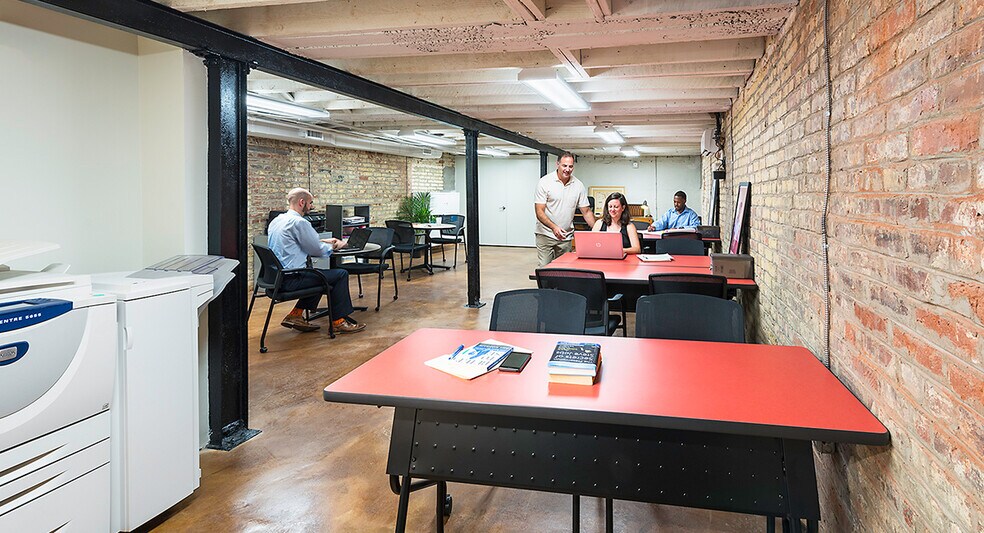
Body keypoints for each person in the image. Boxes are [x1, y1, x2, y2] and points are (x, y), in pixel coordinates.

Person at [266, 188, 366, 334]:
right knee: (340, 275)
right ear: (302, 202)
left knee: (318, 274)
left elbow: (294, 242)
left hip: (276, 278)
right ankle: (338, 322)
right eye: (310, 203)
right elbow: (317, 251)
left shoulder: (278, 220)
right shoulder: (299, 222)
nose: (311, 206)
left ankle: (295, 315)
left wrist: (323, 241)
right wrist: (336, 245)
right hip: (292, 279)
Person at [534, 152, 596, 267]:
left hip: (566, 236)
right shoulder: (544, 182)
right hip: (545, 234)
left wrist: (598, 231)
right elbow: (539, 211)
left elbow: (586, 212)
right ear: (557, 164)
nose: (567, 169)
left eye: (570, 166)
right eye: (564, 165)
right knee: (545, 269)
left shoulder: (578, 185)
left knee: (564, 269)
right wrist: (554, 227)